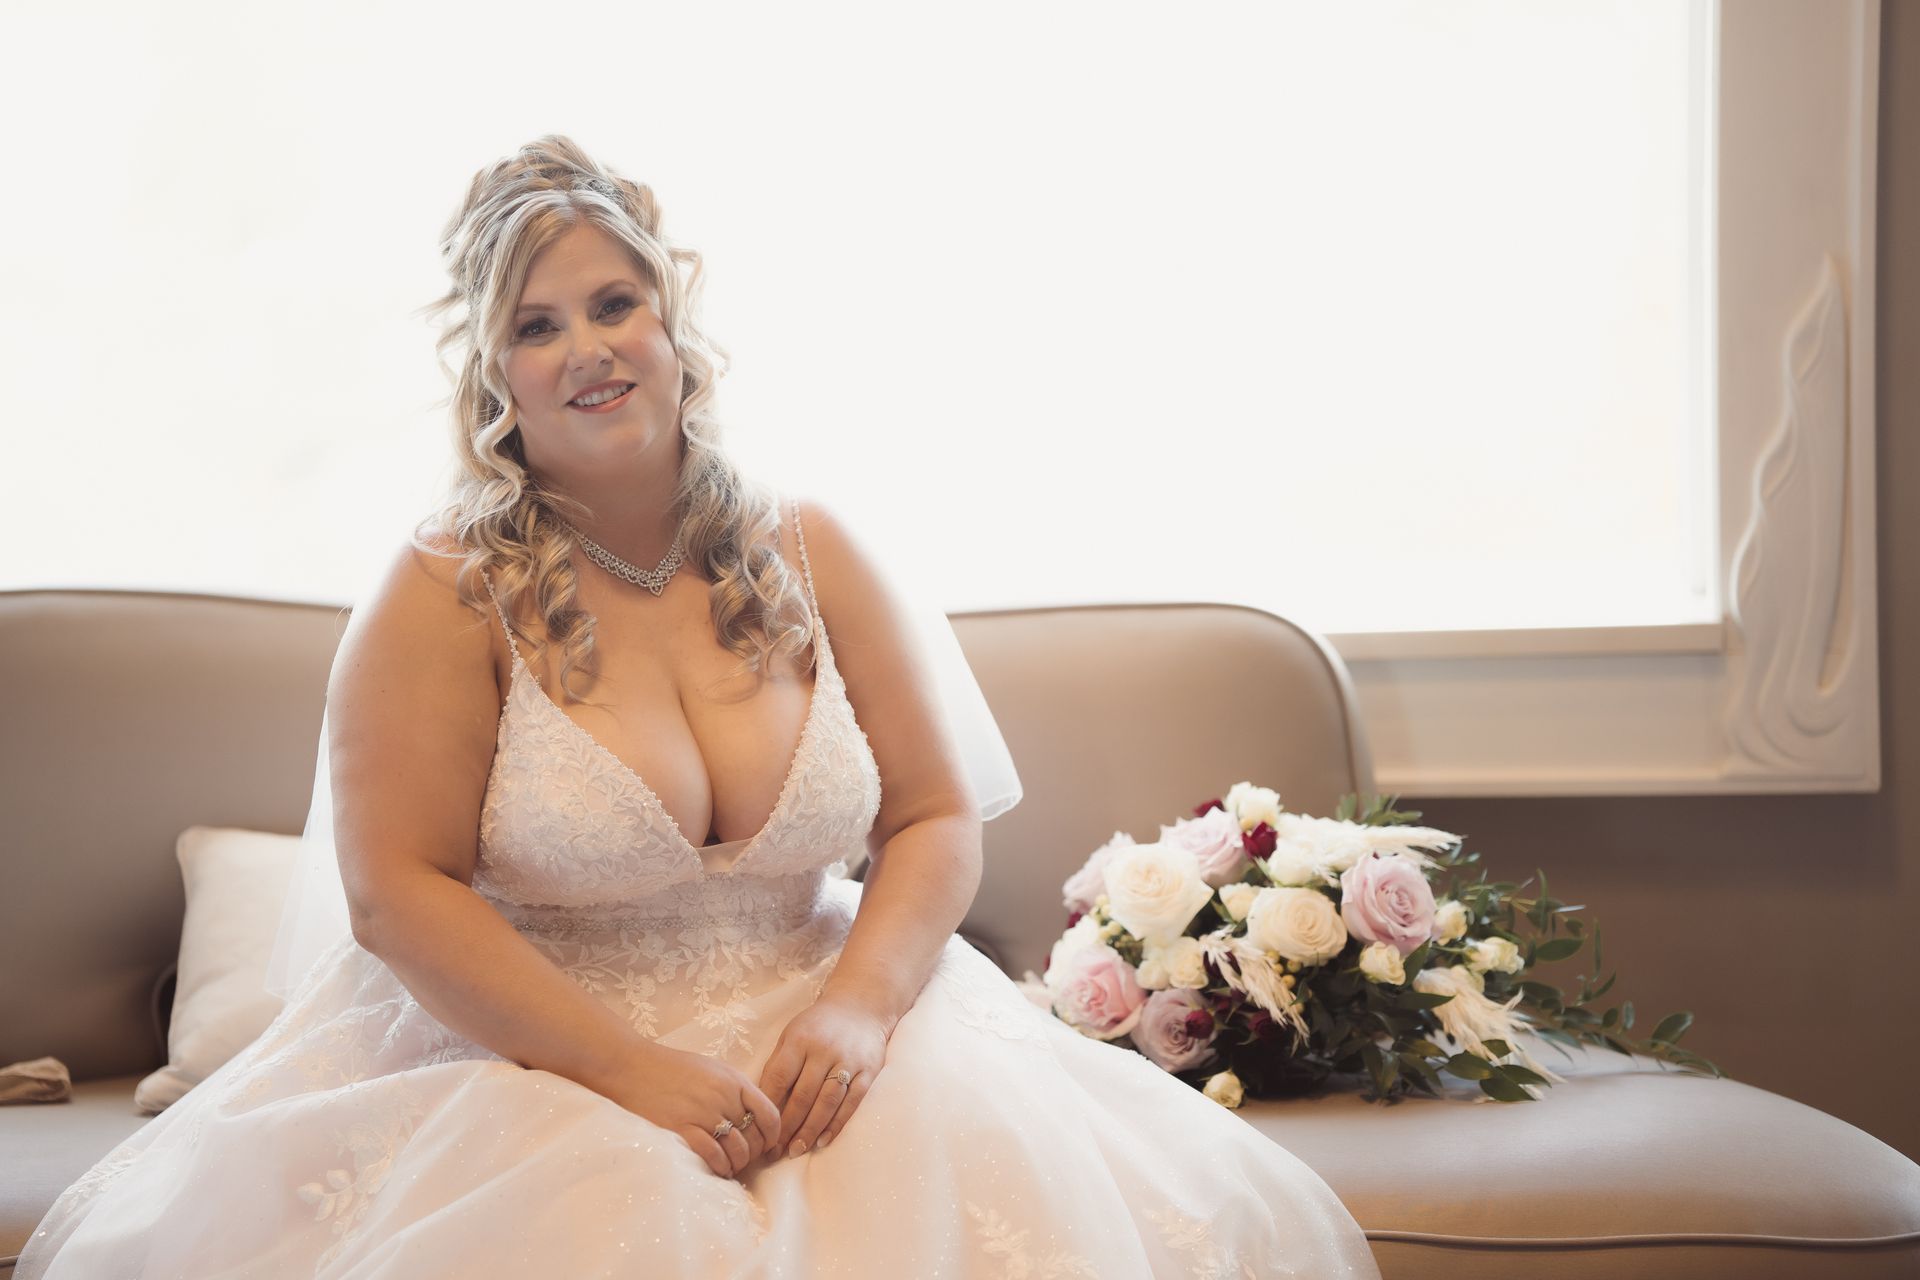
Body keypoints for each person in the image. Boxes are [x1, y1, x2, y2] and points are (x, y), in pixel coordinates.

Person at [16, 135, 1380, 1278]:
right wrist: (629, 1071)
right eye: (535, 326)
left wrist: (857, 1012)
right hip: (545, 1050)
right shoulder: (445, 589)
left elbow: (933, 814)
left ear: (673, 321)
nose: (587, 348)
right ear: (494, 376)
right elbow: (394, 894)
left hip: (836, 1014)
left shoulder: (813, 548)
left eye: (614, 303)